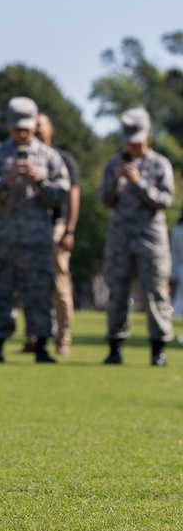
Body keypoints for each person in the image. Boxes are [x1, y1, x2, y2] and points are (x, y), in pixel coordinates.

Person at [0, 96, 70, 364]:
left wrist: (41, 182)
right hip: (2, 239)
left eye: (27, 127)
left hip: (37, 239)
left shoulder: (50, 157)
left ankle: (41, 346)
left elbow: (63, 193)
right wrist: (7, 179)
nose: (22, 132)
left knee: (39, 293)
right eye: (17, 127)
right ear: (8, 125)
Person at [99, 107, 174, 366]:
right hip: (119, 239)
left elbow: (165, 199)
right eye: (128, 140)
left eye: (137, 140)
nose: (131, 145)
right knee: (117, 291)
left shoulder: (160, 164)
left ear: (148, 137)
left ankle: (158, 349)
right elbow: (104, 199)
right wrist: (116, 179)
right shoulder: (114, 164)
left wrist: (140, 182)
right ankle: (115, 347)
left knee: (155, 293)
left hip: (150, 238)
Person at [28, 111, 80, 356]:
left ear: (51, 129)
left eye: (40, 125)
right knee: (31, 285)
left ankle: (63, 337)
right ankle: (36, 336)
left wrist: (69, 230)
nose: (36, 129)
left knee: (59, 285)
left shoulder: (64, 159)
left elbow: (73, 196)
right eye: (32, 125)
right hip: (29, 227)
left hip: (55, 226)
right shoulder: (23, 157)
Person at [171, 211, 183, 323]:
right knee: (180, 290)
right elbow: (174, 250)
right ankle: (178, 312)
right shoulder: (178, 229)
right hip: (180, 264)